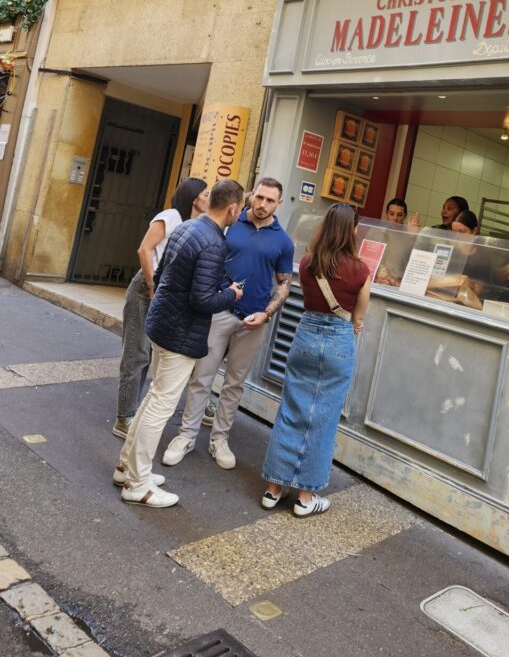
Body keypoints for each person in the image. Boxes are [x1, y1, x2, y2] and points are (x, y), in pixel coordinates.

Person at [114, 179, 245, 508]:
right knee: (160, 407)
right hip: (181, 333)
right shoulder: (214, 242)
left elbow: (161, 275)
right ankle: (138, 483)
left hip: (162, 323)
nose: (239, 213)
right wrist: (232, 294)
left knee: (152, 399)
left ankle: (126, 467)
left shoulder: (187, 227)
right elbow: (203, 299)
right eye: (239, 208)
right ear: (231, 208)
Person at [162, 177, 294, 471]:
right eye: (259, 197)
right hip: (219, 311)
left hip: (254, 320)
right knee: (202, 377)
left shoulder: (283, 241)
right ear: (250, 196)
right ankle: (186, 435)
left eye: (270, 200)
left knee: (234, 384)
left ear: (279, 203)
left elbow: (285, 284)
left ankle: (219, 439)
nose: (262, 205)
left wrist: (268, 313)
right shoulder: (230, 223)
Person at [261, 203, 371, 517]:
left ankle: (273, 489)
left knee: (292, 409)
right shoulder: (361, 270)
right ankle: (305, 498)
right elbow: (360, 315)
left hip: (306, 335)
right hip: (338, 340)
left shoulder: (308, 262)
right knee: (322, 419)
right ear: (351, 229)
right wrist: (355, 323)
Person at [113, 177, 209, 438]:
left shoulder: (195, 224)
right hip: (147, 288)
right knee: (136, 354)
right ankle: (124, 419)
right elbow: (145, 249)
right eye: (206, 193)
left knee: (150, 356)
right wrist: (152, 284)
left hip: (164, 292)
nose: (209, 197)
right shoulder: (170, 216)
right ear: (194, 198)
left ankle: (136, 411)